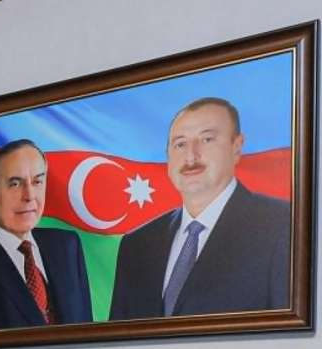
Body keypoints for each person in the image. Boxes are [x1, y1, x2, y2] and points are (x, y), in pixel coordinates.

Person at [110, 97, 290, 319]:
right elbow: (120, 336)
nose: (191, 156)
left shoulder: (281, 226)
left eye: (206, 139)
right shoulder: (136, 245)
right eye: (180, 144)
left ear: (236, 147)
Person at [0, 139, 92, 331]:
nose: (29, 195)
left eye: (37, 182)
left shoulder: (68, 246)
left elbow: (86, 332)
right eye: (15, 184)